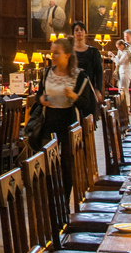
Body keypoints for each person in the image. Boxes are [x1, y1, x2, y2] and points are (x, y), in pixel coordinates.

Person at [32, 37, 95, 204]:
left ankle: (65, 200)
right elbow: (38, 95)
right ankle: (49, 199)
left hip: (69, 122)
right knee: (46, 161)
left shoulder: (79, 76)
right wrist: (41, 99)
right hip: (49, 121)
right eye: (52, 53)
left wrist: (74, 96)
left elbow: (88, 104)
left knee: (67, 164)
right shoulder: (46, 73)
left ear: (67, 55)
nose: (53, 56)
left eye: (57, 53)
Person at [72, 22, 103, 108]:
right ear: (73, 34)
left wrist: (98, 89)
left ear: (85, 33)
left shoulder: (93, 52)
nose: (79, 32)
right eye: (76, 30)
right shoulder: (69, 52)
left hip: (89, 90)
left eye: (82, 30)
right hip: (73, 90)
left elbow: (99, 72)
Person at [113, 40, 131, 107]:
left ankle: (127, 106)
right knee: (120, 89)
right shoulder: (120, 51)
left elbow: (119, 62)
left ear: (122, 45)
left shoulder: (126, 52)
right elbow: (118, 58)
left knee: (125, 89)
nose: (118, 48)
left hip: (126, 71)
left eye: (119, 47)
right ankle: (121, 105)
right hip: (121, 71)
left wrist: (113, 57)